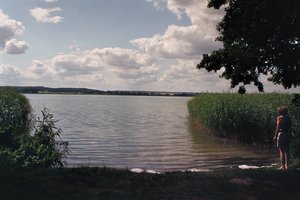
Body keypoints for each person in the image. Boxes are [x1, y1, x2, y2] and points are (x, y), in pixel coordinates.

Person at [273, 106, 292, 170]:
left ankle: (283, 167)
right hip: (288, 134)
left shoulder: (279, 118)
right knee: (287, 151)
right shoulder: (288, 118)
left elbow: (278, 127)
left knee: (282, 151)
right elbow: (290, 128)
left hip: (281, 134)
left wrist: (275, 135)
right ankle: (287, 166)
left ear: (280, 112)